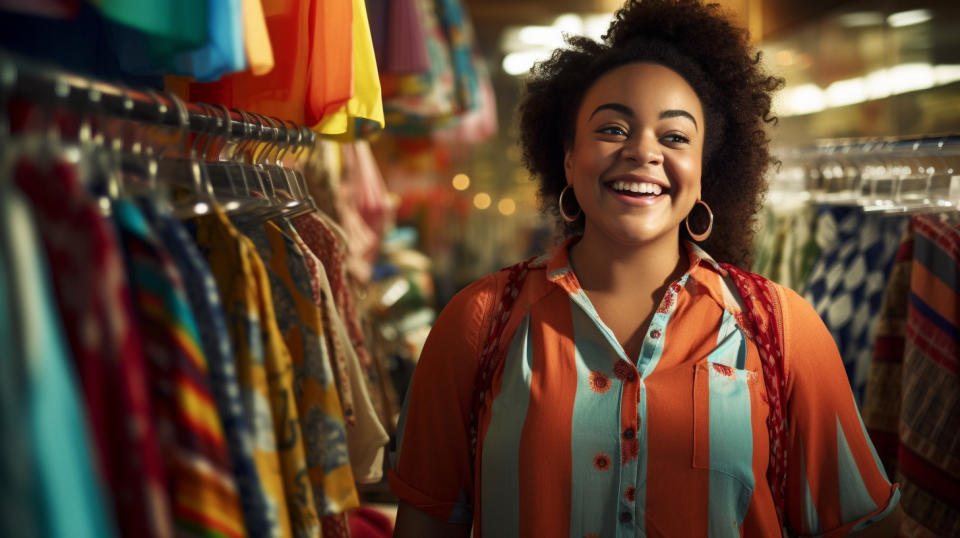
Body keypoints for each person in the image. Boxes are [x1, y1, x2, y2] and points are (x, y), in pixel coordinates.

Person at [388, 0, 902, 536]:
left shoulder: (783, 329)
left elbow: (866, 526)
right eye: (612, 129)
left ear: (705, 171)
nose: (643, 152)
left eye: (675, 137)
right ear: (568, 157)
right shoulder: (479, 322)